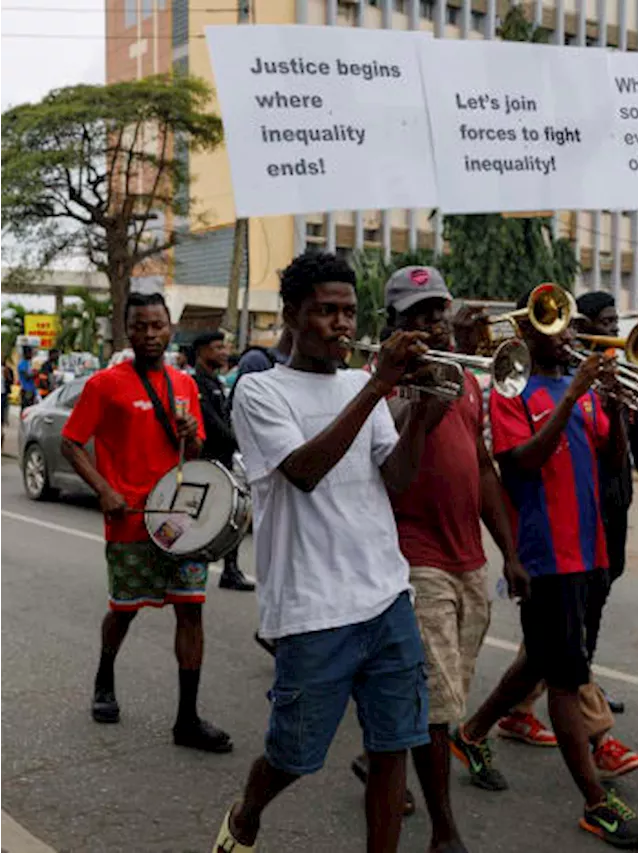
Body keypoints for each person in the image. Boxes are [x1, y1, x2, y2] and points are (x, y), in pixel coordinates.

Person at [214, 252, 437, 853]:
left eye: (349, 311)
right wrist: (380, 388)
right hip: (313, 611)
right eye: (326, 312)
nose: (342, 324)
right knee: (294, 757)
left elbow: (397, 479)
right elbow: (306, 470)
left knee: (394, 749)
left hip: (387, 597)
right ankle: (249, 809)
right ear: (292, 316)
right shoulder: (259, 391)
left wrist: (420, 416)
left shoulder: (359, 386)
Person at [450, 287, 638, 849]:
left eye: (569, 326)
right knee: (566, 677)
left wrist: (611, 407)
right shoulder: (510, 391)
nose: (569, 335)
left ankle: (469, 733)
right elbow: (523, 462)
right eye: (557, 325)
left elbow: (613, 461)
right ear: (528, 331)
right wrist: (574, 399)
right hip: (545, 553)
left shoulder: (578, 385)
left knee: (545, 657)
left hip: (590, 551)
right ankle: (595, 802)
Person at [347, 266, 527, 853]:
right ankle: (444, 829)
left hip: (468, 560)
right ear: (394, 323)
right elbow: (389, 474)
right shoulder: (380, 383)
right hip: (411, 559)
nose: (431, 322)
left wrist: (510, 552)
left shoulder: (468, 380)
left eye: (437, 311)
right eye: (417, 313)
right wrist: (420, 403)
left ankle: (384, 761)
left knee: (437, 692)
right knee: (436, 702)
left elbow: (480, 467)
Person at [60, 291, 231, 753]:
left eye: (157, 325)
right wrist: (104, 489)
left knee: (191, 609)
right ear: (128, 330)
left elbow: (191, 455)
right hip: (130, 519)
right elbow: (71, 442)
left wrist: (192, 437)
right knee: (124, 609)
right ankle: (104, 677)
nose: (150, 334)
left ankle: (187, 720)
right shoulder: (105, 385)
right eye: (140, 326)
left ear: (170, 328)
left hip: (181, 521)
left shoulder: (186, 384)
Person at [568, 291, 638, 713]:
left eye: (615, 323)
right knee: (585, 599)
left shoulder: (622, 374)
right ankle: (581, 686)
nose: (614, 331)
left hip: (616, 503)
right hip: (584, 506)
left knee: (601, 592)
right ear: (586, 326)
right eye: (606, 323)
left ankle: (576, 677)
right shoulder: (574, 373)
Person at [190, 331, 255, 592]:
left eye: (225, 347)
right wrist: (242, 443)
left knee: (231, 517)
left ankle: (230, 569)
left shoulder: (214, 382)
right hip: (207, 464)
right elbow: (213, 426)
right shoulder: (197, 384)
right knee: (202, 519)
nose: (224, 352)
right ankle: (192, 566)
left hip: (223, 463)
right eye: (218, 347)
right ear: (202, 351)